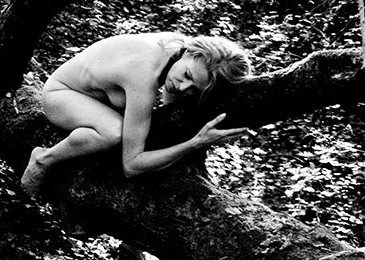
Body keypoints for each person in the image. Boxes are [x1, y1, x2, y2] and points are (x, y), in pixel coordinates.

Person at [21, 32, 252, 197]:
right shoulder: (144, 72)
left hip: (97, 102)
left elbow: (168, 107)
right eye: (187, 76)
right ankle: (43, 159)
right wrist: (195, 143)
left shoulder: (175, 51)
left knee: (136, 134)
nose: (182, 87)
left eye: (194, 89)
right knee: (113, 132)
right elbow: (131, 166)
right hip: (61, 96)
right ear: (191, 52)